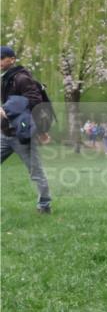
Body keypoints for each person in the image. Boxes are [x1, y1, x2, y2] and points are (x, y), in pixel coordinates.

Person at [0, 45, 53, 213]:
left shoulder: (22, 78)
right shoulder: (5, 78)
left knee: (36, 172)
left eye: (1, 58)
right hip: (4, 133)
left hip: (21, 136)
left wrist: (42, 131)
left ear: (12, 59)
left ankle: (44, 205)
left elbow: (35, 102)